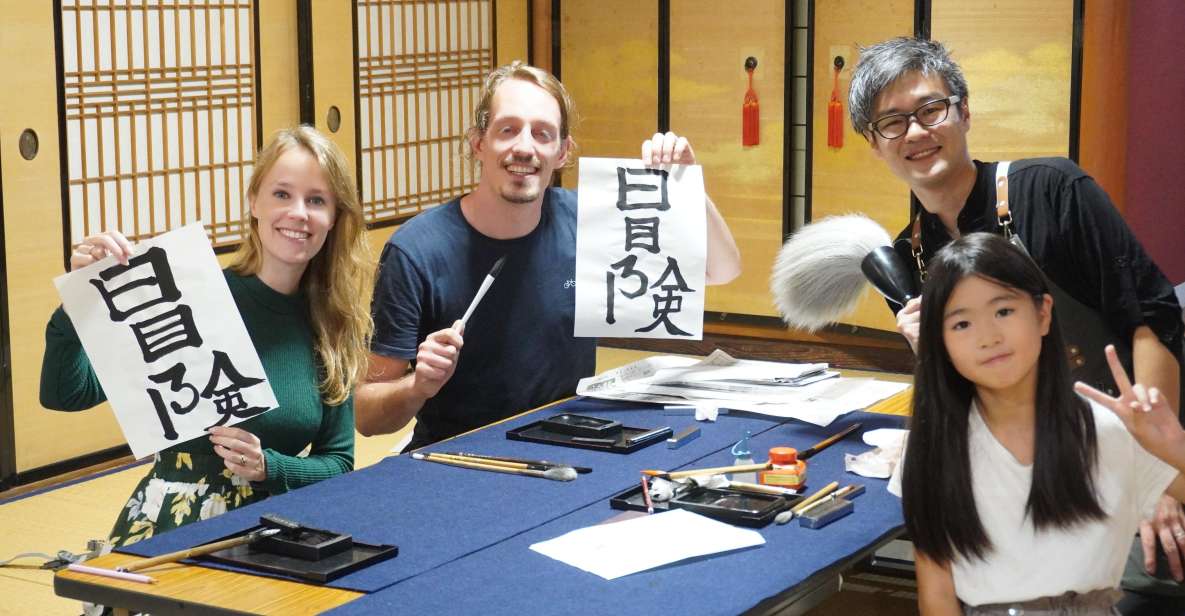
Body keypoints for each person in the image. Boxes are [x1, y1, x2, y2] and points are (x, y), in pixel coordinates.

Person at [849, 37, 1185, 610]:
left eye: (932, 110)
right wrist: (925, 347)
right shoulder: (912, 256)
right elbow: (964, 388)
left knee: (1147, 580)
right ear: (874, 143)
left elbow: (1150, 321)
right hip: (1026, 466)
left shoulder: (1053, 190)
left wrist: (1156, 480)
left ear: (964, 112)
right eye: (892, 122)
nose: (915, 132)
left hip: (1122, 443)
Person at [356, 61, 741, 450]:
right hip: (457, 457)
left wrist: (687, 184)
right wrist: (418, 386)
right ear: (478, 143)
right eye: (508, 130)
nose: (524, 147)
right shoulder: (417, 251)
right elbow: (367, 415)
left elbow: (722, 268)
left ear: (562, 152)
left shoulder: (589, 221)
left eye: (543, 134)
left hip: (573, 446)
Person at [40, 126, 373, 547]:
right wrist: (79, 301)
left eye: (317, 200)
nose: (299, 213)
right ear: (254, 202)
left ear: (334, 217)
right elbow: (65, 394)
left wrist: (271, 466)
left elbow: (339, 462)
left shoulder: (334, 322)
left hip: (277, 530)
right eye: (282, 194)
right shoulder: (190, 297)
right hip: (173, 525)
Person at [898, 232, 1184, 615]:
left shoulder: (1106, 430)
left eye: (1003, 311)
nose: (988, 337)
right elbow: (936, 596)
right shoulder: (935, 448)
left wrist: (1174, 449)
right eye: (962, 324)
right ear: (940, 341)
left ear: (1043, 314)